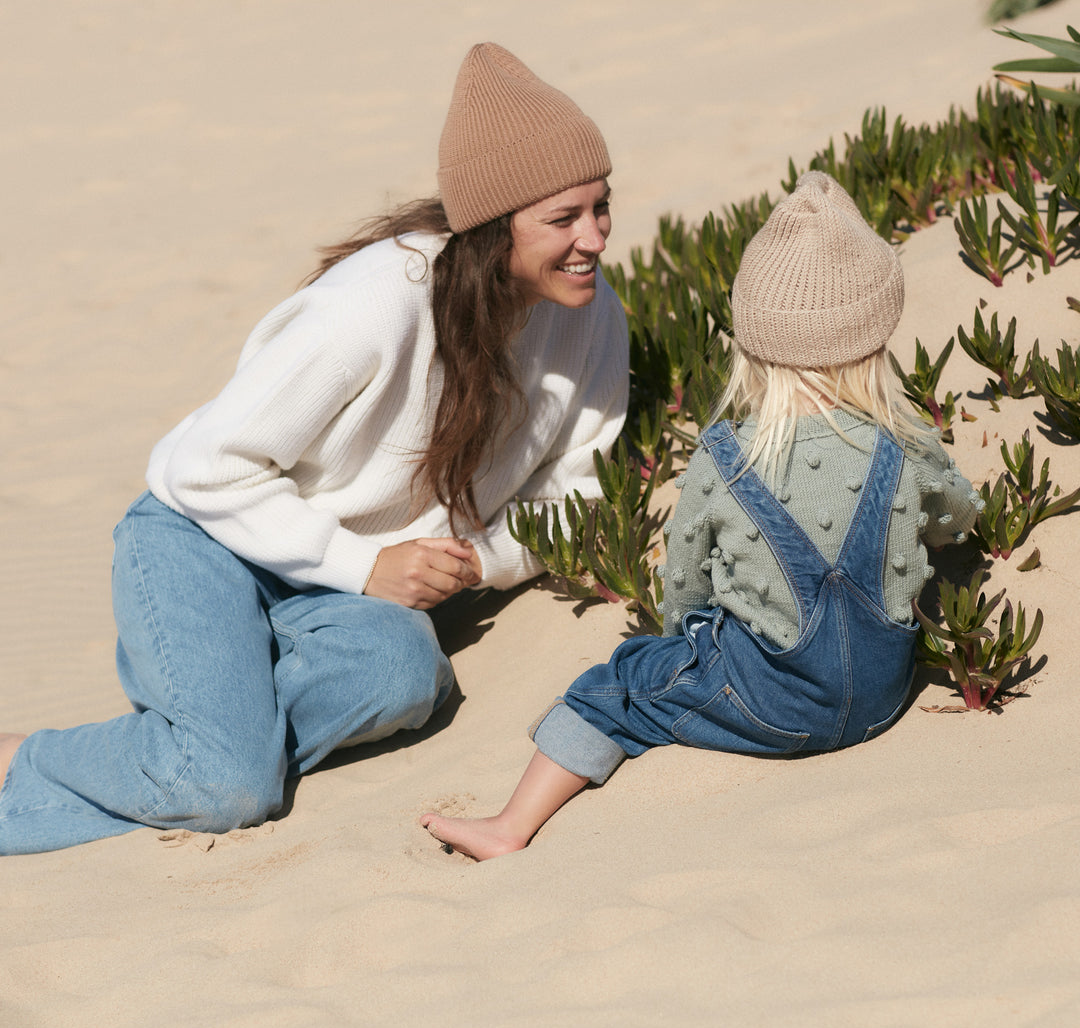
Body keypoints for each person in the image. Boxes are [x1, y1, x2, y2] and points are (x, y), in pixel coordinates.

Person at [0, 43, 628, 855]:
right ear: (493, 223)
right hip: (202, 539)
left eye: (602, 206)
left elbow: (577, 488)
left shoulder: (592, 316)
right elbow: (203, 469)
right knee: (230, 786)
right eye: (563, 218)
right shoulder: (374, 306)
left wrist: (484, 559)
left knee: (406, 678)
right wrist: (364, 568)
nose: (595, 239)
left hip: (322, 591)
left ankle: (207, 735)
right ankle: (28, 760)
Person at [421, 171, 983, 861]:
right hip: (881, 698)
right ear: (877, 333)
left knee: (618, 684)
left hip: (769, 706)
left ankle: (509, 827)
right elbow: (959, 515)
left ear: (754, 341)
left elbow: (684, 587)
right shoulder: (906, 445)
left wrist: (683, 640)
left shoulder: (727, 458)